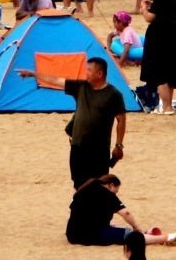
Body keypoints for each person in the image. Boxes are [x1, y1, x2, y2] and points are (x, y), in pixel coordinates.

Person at [21, 55, 127, 184]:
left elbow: (121, 120)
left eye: (89, 70)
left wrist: (119, 145)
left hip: (99, 149)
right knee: (78, 183)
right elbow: (55, 80)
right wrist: (33, 74)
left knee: (98, 184)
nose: (86, 73)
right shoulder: (80, 87)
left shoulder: (114, 95)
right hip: (78, 146)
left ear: (99, 74)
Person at [68, 173, 145, 245]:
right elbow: (126, 213)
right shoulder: (108, 194)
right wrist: (136, 227)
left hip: (72, 234)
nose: (115, 194)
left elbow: (85, 212)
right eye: (115, 191)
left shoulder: (85, 188)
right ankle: (153, 237)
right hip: (91, 234)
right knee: (132, 235)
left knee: (110, 229)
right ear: (111, 185)